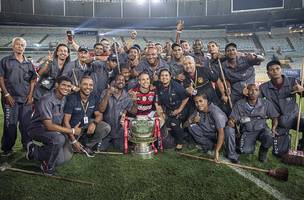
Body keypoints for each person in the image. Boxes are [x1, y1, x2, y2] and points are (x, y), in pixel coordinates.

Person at [26, 76, 82, 175]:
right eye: (63, 85)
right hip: (38, 128)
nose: (66, 88)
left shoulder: (63, 98)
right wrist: (72, 131)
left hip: (53, 130)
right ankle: (47, 167)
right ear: (56, 85)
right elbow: (48, 126)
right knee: (59, 139)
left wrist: (73, 139)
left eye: (69, 86)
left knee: (60, 159)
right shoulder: (47, 99)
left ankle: (34, 151)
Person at [0, 37, 37, 156]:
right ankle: (7, 148)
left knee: (26, 124)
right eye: (17, 44)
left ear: (24, 48)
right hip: (10, 99)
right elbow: (0, 78)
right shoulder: (5, 60)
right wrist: (6, 94)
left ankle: (27, 145)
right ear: (13, 46)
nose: (20, 47)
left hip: (25, 99)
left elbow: (33, 80)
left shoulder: (28, 63)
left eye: (22, 45)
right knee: (10, 125)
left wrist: (31, 96)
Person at [226, 84, 279, 163]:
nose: (253, 92)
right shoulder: (240, 104)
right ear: (247, 92)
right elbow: (233, 118)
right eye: (251, 90)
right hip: (248, 130)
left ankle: (262, 154)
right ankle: (241, 142)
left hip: (262, 129)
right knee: (245, 151)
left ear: (259, 92)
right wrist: (231, 121)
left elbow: (274, 117)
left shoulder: (266, 103)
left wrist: (274, 128)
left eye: (256, 90)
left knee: (269, 136)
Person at [260, 60, 304, 152]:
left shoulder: (293, 81)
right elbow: (255, 101)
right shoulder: (263, 87)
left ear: (281, 70)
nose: (275, 71)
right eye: (272, 70)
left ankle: (301, 144)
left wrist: (302, 90)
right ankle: (285, 139)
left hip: (295, 117)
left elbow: (302, 93)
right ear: (268, 74)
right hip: (279, 121)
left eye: (277, 68)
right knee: (280, 152)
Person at [63, 76, 111, 152]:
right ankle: (75, 144)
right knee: (67, 148)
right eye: (85, 84)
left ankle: (86, 146)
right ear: (79, 85)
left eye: (90, 85)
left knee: (106, 127)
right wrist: (73, 138)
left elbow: (99, 114)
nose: (88, 87)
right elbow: (65, 121)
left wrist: (94, 123)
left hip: (86, 127)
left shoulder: (93, 97)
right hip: (73, 129)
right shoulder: (72, 98)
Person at [187, 93, 233, 163]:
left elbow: (221, 132)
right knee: (191, 127)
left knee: (226, 131)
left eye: (200, 101)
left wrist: (216, 151)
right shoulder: (198, 110)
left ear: (206, 100)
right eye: (196, 102)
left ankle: (220, 147)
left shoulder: (215, 112)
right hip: (207, 133)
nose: (198, 104)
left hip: (217, 135)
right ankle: (209, 145)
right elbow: (185, 125)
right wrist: (192, 120)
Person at [98, 74, 137, 151]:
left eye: (123, 80)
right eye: (119, 79)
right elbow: (101, 110)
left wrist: (135, 100)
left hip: (119, 131)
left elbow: (133, 112)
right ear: (114, 81)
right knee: (101, 149)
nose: (121, 81)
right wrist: (108, 94)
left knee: (120, 148)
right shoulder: (106, 92)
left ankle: (117, 141)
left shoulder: (127, 95)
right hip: (107, 130)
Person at [156, 69, 189, 150]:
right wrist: (162, 113)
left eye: (166, 75)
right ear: (159, 78)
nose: (164, 77)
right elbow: (158, 102)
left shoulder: (176, 86)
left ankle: (180, 142)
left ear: (170, 77)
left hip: (182, 108)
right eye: (162, 75)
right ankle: (177, 138)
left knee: (174, 123)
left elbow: (186, 98)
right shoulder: (159, 87)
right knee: (166, 124)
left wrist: (179, 110)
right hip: (169, 110)